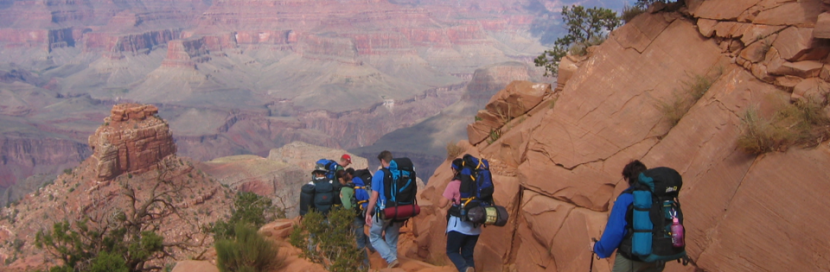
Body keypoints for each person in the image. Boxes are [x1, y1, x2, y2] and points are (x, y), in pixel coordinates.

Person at [592, 160, 665, 272]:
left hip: (630, 257)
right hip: (656, 258)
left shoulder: (626, 198)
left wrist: (598, 248)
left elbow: (615, 231)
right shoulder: (657, 197)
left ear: (628, 179)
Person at [438, 158, 481, 272]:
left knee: (452, 251)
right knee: (468, 255)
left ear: (455, 169)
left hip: (458, 225)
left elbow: (442, 204)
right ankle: (468, 268)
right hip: (475, 226)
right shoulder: (476, 182)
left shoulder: (454, 184)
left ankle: (464, 268)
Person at [364, 150, 403, 268]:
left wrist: (368, 213)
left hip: (384, 211)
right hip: (399, 210)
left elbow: (374, 197)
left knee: (374, 236)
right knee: (391, 239)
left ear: (382, 161)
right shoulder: (399, 173)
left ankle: (391, 259)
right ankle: (393, 264)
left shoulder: (379, 174)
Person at [339, 168, 374, 269]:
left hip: (354, 216)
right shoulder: (356, 184)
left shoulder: (345, 189)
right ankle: (374, 248)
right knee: (361, 234)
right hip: (363, 212)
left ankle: (364, 266)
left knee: (359, 241)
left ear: (342, 179)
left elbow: (347, 206)